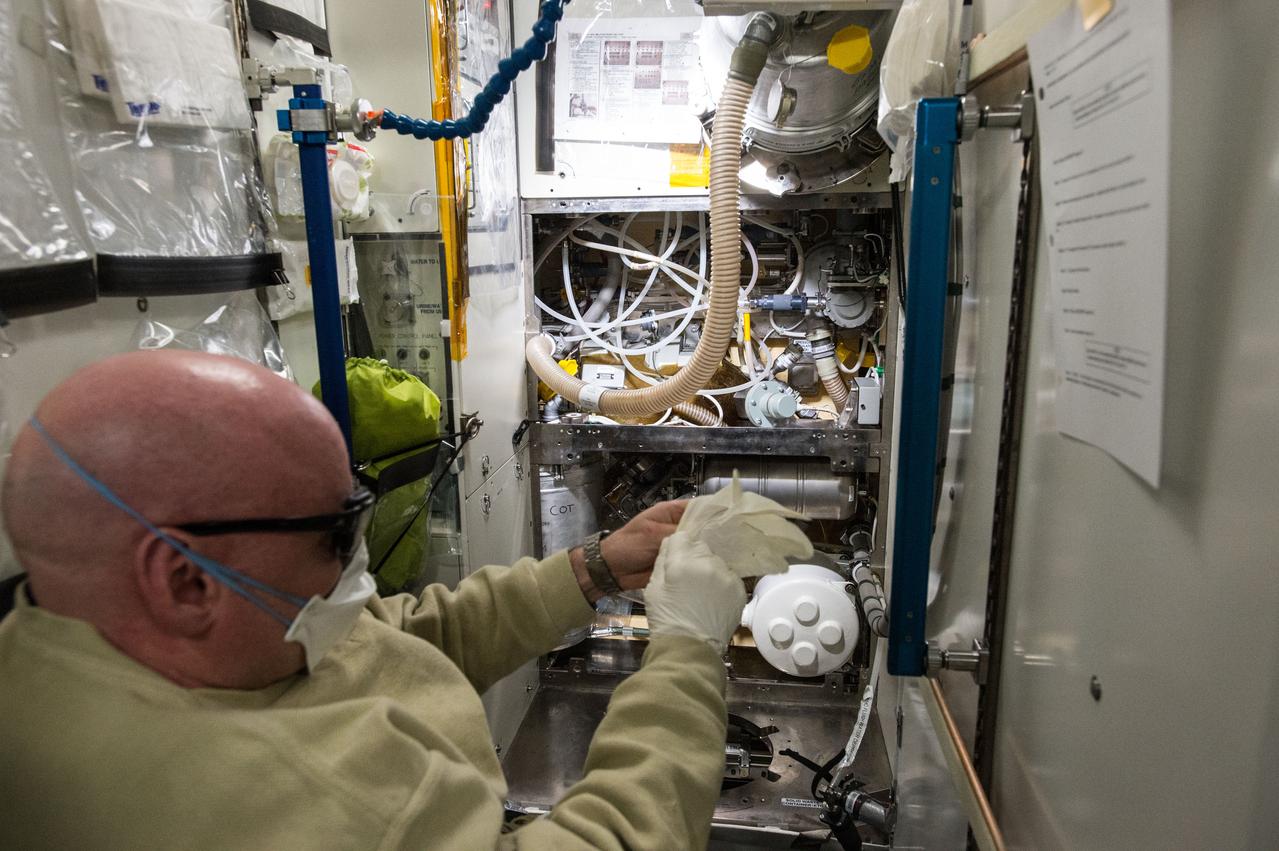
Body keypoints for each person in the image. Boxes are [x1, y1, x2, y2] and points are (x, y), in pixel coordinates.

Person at [0, 350, 756, 850]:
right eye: (337, 531)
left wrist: (595, 566)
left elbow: (383, 637)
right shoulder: (292, 808)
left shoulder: (87, 638)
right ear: (183, 578)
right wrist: (687, 649)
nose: (359, 558)